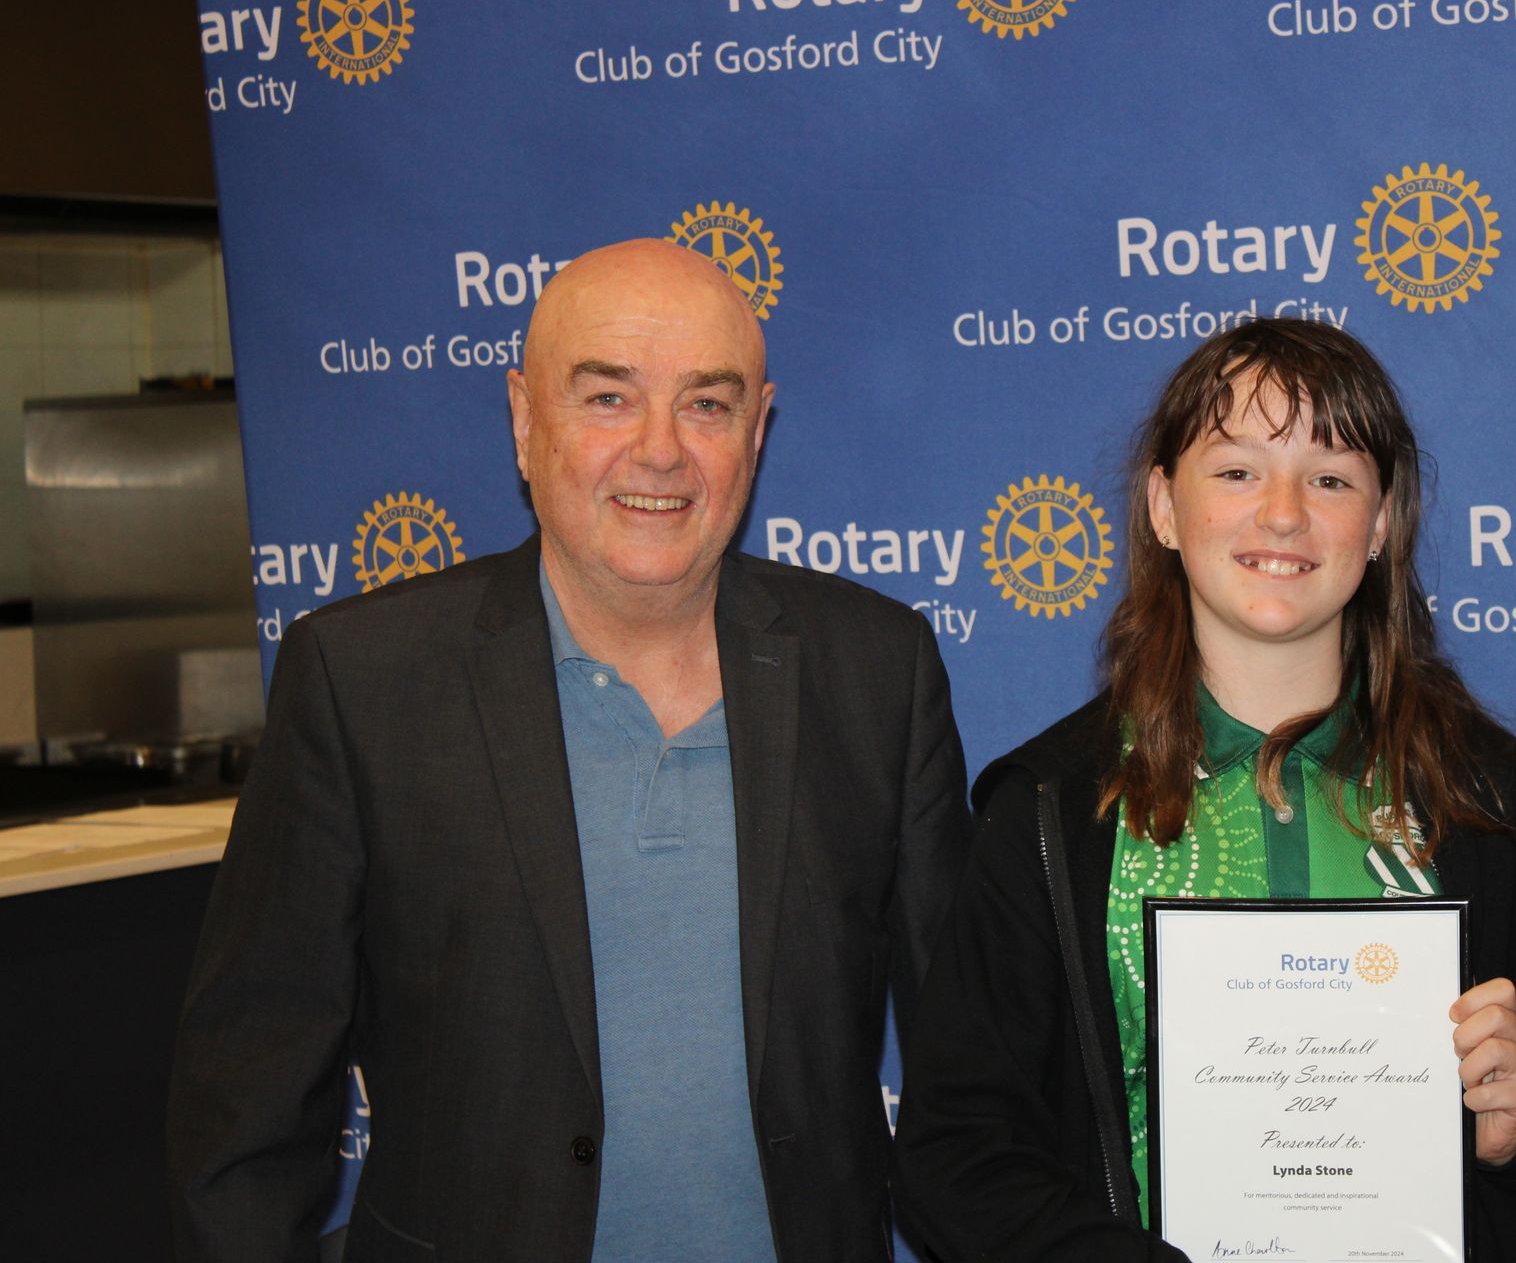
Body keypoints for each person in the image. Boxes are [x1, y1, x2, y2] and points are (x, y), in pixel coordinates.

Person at [168, 239, 971, 1262]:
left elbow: (971, 1063)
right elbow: (248, 1103)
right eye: (608, 398)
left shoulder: (878, 670)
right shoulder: (362, 680)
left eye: (707, 404)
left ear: (758, 428)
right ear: (523, 418)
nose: (660, 450)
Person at [892, 318, 1516, 1261]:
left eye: (1330, 479)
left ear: (1381, 524)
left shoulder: (1484, 794)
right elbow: (956, 1154)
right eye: (1238, 470)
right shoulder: (1051, 809)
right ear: (1164, 507)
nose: (1283, 514)